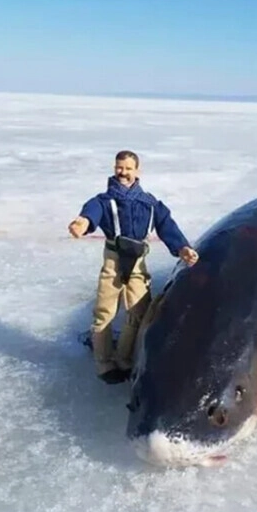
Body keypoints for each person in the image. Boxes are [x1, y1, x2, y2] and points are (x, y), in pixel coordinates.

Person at [68, 150, 199, 384]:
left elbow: (167, 227)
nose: (123, 172)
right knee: (104, 312)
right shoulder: (104, 200)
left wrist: (183, 248)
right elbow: (91, 214)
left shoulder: (150, 204)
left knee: (139, 311)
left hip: (138, 261)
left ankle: (124, 358)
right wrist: (82, 223)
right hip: (113, 260)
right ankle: (104, 363)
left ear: (137, 171)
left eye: (128, 168)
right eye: (119, 167)